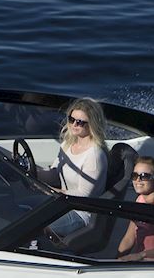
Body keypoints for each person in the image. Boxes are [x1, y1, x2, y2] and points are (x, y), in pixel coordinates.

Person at [41, 98, 109, 242]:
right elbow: (55, 173)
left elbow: (83, 195)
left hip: (79, 213)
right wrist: (34, 172)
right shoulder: (68, 143)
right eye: (72, 119)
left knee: (33, 225)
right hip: (60, 203)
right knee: (19, 210)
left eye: (80, 122)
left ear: (92, 125)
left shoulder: (95, 155)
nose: (74, 125)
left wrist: (51, 191)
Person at [117, 156, 154, 262]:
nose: (138, 180)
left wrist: (141, 255)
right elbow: (129, 237)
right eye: (134, 175)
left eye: (144, 176)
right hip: (141, 262)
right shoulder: (140, 200)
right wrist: (117, 259)